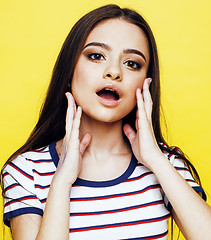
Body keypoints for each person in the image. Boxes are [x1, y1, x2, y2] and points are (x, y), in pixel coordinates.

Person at [1, 4, 211, 240]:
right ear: (69, 71)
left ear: (145, 84)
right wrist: (62, 182)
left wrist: (155, 159)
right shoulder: (26, 171)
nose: (114, 72)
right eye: (96, 56)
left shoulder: (166, 165)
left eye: (132, 63)